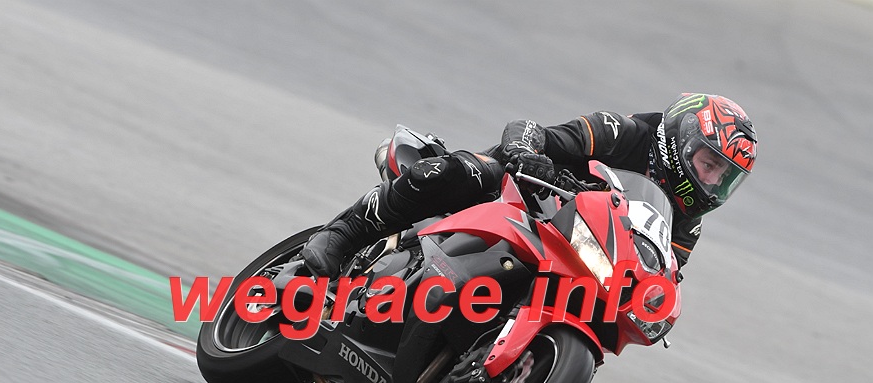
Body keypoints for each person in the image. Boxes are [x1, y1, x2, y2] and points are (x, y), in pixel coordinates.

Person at [301, 93, 757, 278]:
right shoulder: (625, 132)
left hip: (572, 253)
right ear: (680, 140)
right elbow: (534, 131)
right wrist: (526, 152)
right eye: (708, 163)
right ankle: (345, 233)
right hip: (521, 193)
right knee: (466, 172)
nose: (711, 181)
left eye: (723, 176)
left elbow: (661, 273)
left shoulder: (686, 222)